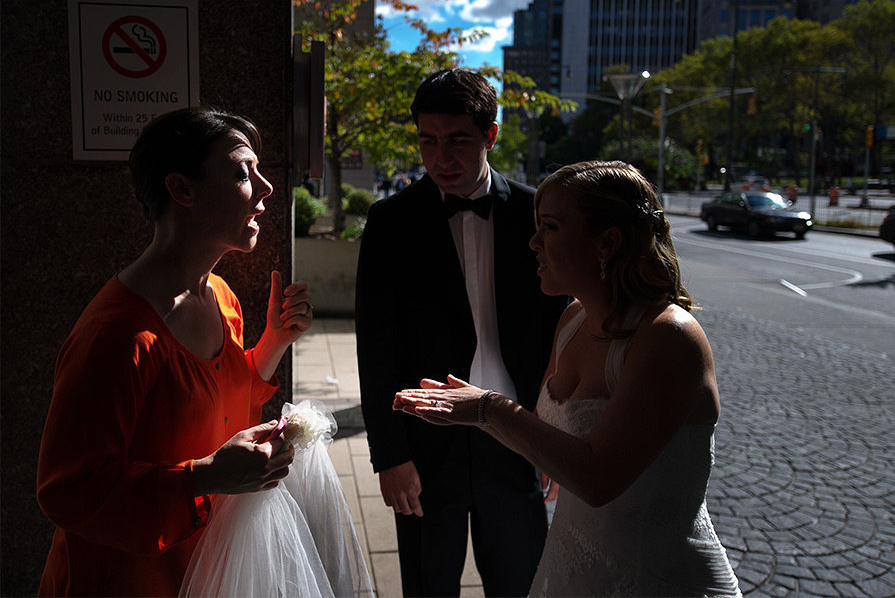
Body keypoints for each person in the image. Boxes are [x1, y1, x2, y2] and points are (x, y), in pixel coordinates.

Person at [394, 161, 744, 597]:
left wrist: (488, 408)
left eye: (551, 227)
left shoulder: (668, 337)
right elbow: (548, 440)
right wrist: (471, 410)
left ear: (607, 242)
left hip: (657, 578)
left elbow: (597, 480)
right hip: (573, 568)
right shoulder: (573, 320)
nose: (534, 242)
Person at [36, 106, 313, 597]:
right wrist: (205, 477)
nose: (267, 188)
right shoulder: (117, 336)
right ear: (182, 189)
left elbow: (222, 404)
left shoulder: (220, 296)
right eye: (242, 173)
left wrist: (273, 342)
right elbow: (67, 490)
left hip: (203, 571)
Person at [355, 69, 567, 597]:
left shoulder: (537, 213)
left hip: (516, 435)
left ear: (491, 135)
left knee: (521, 584)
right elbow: (376, 348)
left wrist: (558, 438)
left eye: (457, 140)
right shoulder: (390, 222)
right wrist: (390, 455)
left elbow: (559, 335)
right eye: (427, 140)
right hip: (427, 443)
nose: (440, 157)